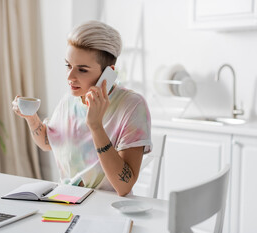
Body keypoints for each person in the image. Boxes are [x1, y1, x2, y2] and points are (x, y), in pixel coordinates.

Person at [12, 20, 152, 196]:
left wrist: (96, 126)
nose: (70, 76)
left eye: (82, 70)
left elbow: (123, 187)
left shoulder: (132, 105)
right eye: (68, 65)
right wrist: (31, 118)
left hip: (108, 208)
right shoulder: (70, 100)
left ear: (108, 73)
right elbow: (48, 143)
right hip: (66, 201)